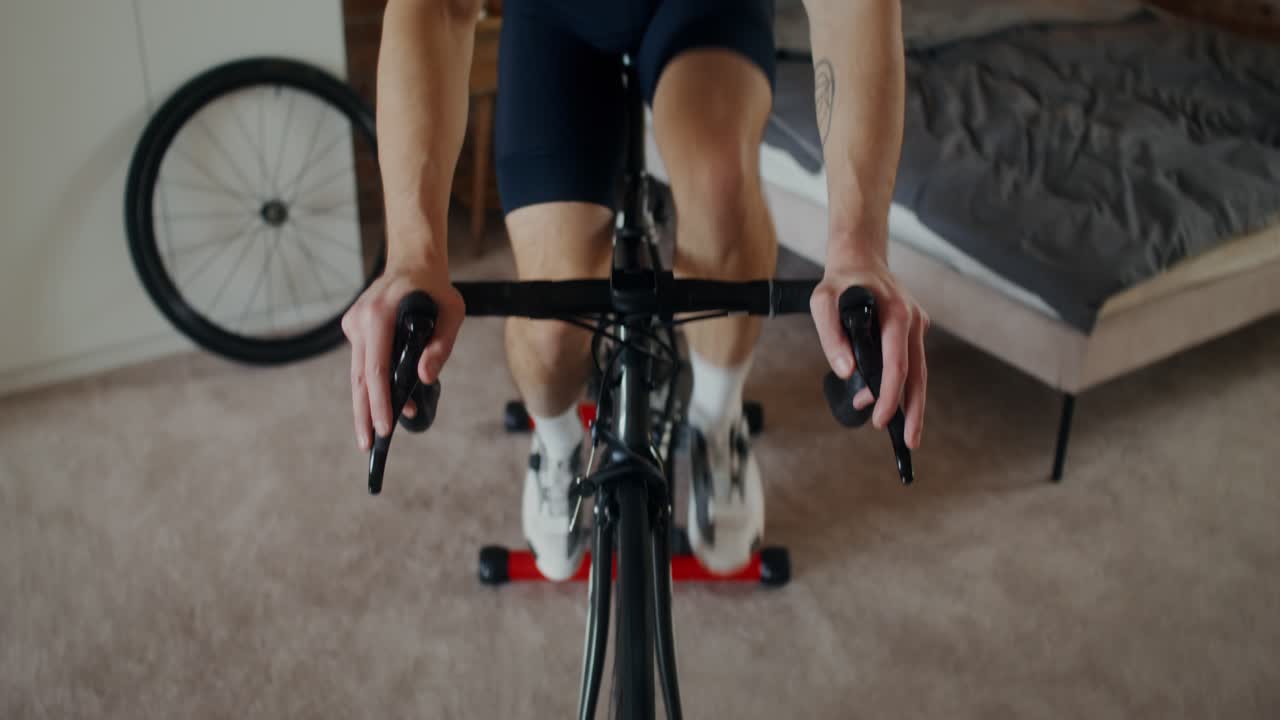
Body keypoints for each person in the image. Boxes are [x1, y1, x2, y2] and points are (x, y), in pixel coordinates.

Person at [342, 0, 929, 580]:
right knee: (552, 320)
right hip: (557, 19)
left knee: (720, 190)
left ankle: (717, 420)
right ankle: (556, 444)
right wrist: (413, 256)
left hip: (703, 13)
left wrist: (858, 247)